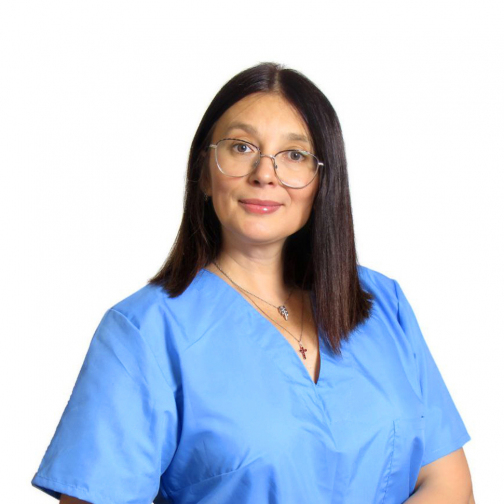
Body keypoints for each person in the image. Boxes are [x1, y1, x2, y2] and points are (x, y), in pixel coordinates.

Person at [31, 62, 474, 504]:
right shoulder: (143, 333)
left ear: (322, 181)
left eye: (295, 155)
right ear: (205, 173)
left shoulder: (382, 304)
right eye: (241, 147)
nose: (265, 173)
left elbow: (448, 483)